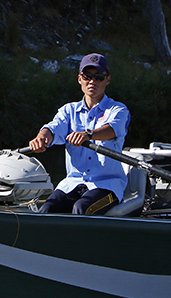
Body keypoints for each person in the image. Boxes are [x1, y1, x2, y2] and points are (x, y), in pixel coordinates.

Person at [28, 53, 131, 215]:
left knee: (81, 208)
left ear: (107, 80)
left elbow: (112, 130)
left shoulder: (118, 109)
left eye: (99, 77)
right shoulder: (68, 111)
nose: (92, 81)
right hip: (72, 183)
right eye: (87, 76)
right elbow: (53, 128)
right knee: (46, 210)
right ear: (79, 79)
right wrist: (42, 137)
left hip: (107, 185)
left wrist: (88, 134)